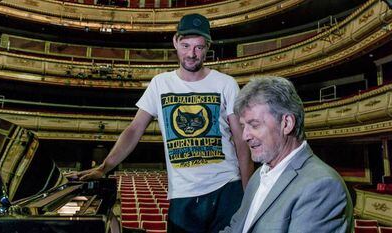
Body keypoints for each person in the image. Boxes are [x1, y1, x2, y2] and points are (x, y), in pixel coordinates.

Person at [69, 13, 254, 233]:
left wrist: (250, 195)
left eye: (198, 47)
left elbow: (243, 143)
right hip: (182, 194)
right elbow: (134, 130)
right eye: (185, 45)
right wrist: (105, 166)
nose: (191, 54)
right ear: (175, 41)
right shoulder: (160, 84)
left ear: (207, 47)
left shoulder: (226, 84)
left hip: (227, 189)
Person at [221, 77, 353, 233]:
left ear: (287, 123)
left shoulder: (322, 187)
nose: (245, 136)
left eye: (254, 125)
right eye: (243, 126)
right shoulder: (258, 176)